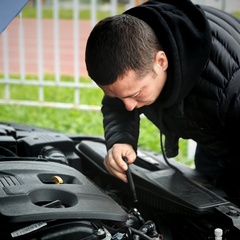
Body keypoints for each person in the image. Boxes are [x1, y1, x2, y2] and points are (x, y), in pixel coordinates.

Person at [85, 0, 240, 198]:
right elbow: (118, 102)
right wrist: (121, 139)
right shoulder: (135, 46)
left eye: (135, 95)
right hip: (213, 133)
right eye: (118, 95)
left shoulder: (230, 86)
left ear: (161, 61)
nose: (130, 107)